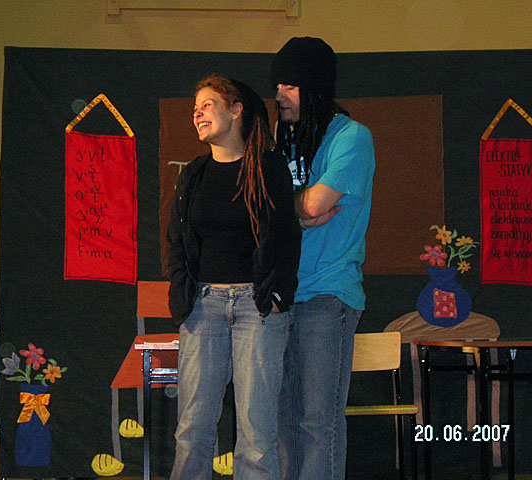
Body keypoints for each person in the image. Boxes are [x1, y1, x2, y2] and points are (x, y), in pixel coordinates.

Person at [167, 76, 302, 480]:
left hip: (256, 309)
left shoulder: (269, 168)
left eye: (207, 105)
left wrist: (276, 295)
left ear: (236, 110)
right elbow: (176, 240)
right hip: (203, 307)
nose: (197, 113)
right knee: (192, 428)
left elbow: (287, 236)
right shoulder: (194, 173)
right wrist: (182, 295)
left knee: (256, 434)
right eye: (195, 108)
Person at [270, 37, 376, 480]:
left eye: (291, 85)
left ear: (315, 88)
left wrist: (291, 205)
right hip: (281, 295)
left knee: (318, 421)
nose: (280, 94)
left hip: (327, 295)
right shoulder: (284, 140)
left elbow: (315, 205)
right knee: (282, 421)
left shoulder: (352, 137)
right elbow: (269, 204)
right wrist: (295, 207)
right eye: (277, 84)